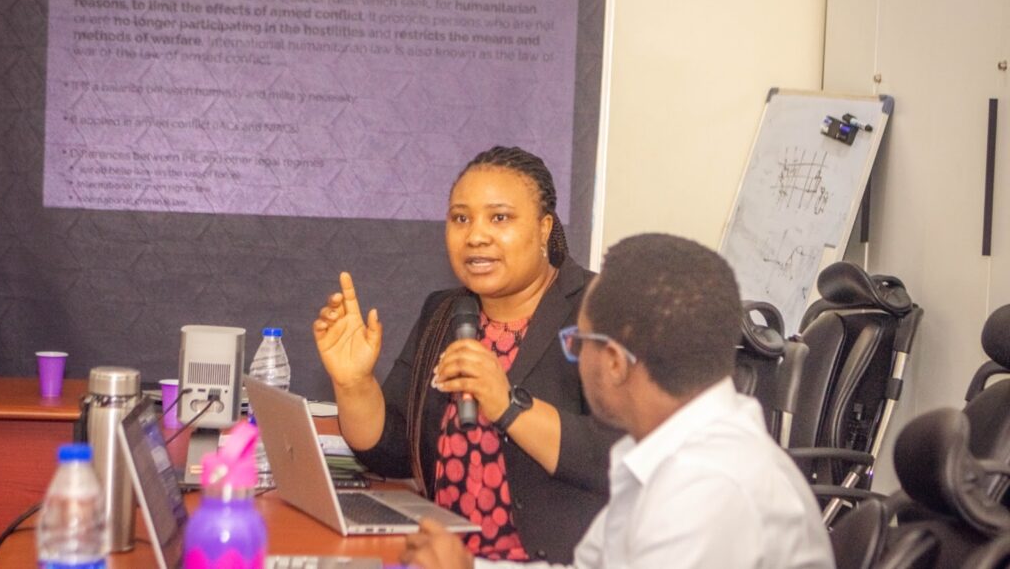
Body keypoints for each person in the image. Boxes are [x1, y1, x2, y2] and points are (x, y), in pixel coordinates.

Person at [402, 233, 836, 569]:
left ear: (612, 361)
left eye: (578, 343)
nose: (576, 357)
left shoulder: (709, 486)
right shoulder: (661, 452)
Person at [313, 146, 620, 563]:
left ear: (545, 227)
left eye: (500, 217)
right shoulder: (443, 313)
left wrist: (507, 404)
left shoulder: (600, 310)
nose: (476, 235)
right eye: (461, 218)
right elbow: (392, 451)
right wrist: (354, 384)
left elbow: (618, 457)